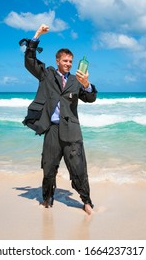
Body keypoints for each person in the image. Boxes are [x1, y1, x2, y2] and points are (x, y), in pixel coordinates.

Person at [21, 24, 97, 214]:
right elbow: (30, 60)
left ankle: (86, 202)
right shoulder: (47, 75)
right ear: (57, 61)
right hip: (52, 130)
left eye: (71, 61)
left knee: (79, 169)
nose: (69, 64)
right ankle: (47, 199)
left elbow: (90, 98)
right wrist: (37, 34)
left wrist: (87, 85)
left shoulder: (76, 81)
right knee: (48, 169)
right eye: (65, 61)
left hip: (72, 132)